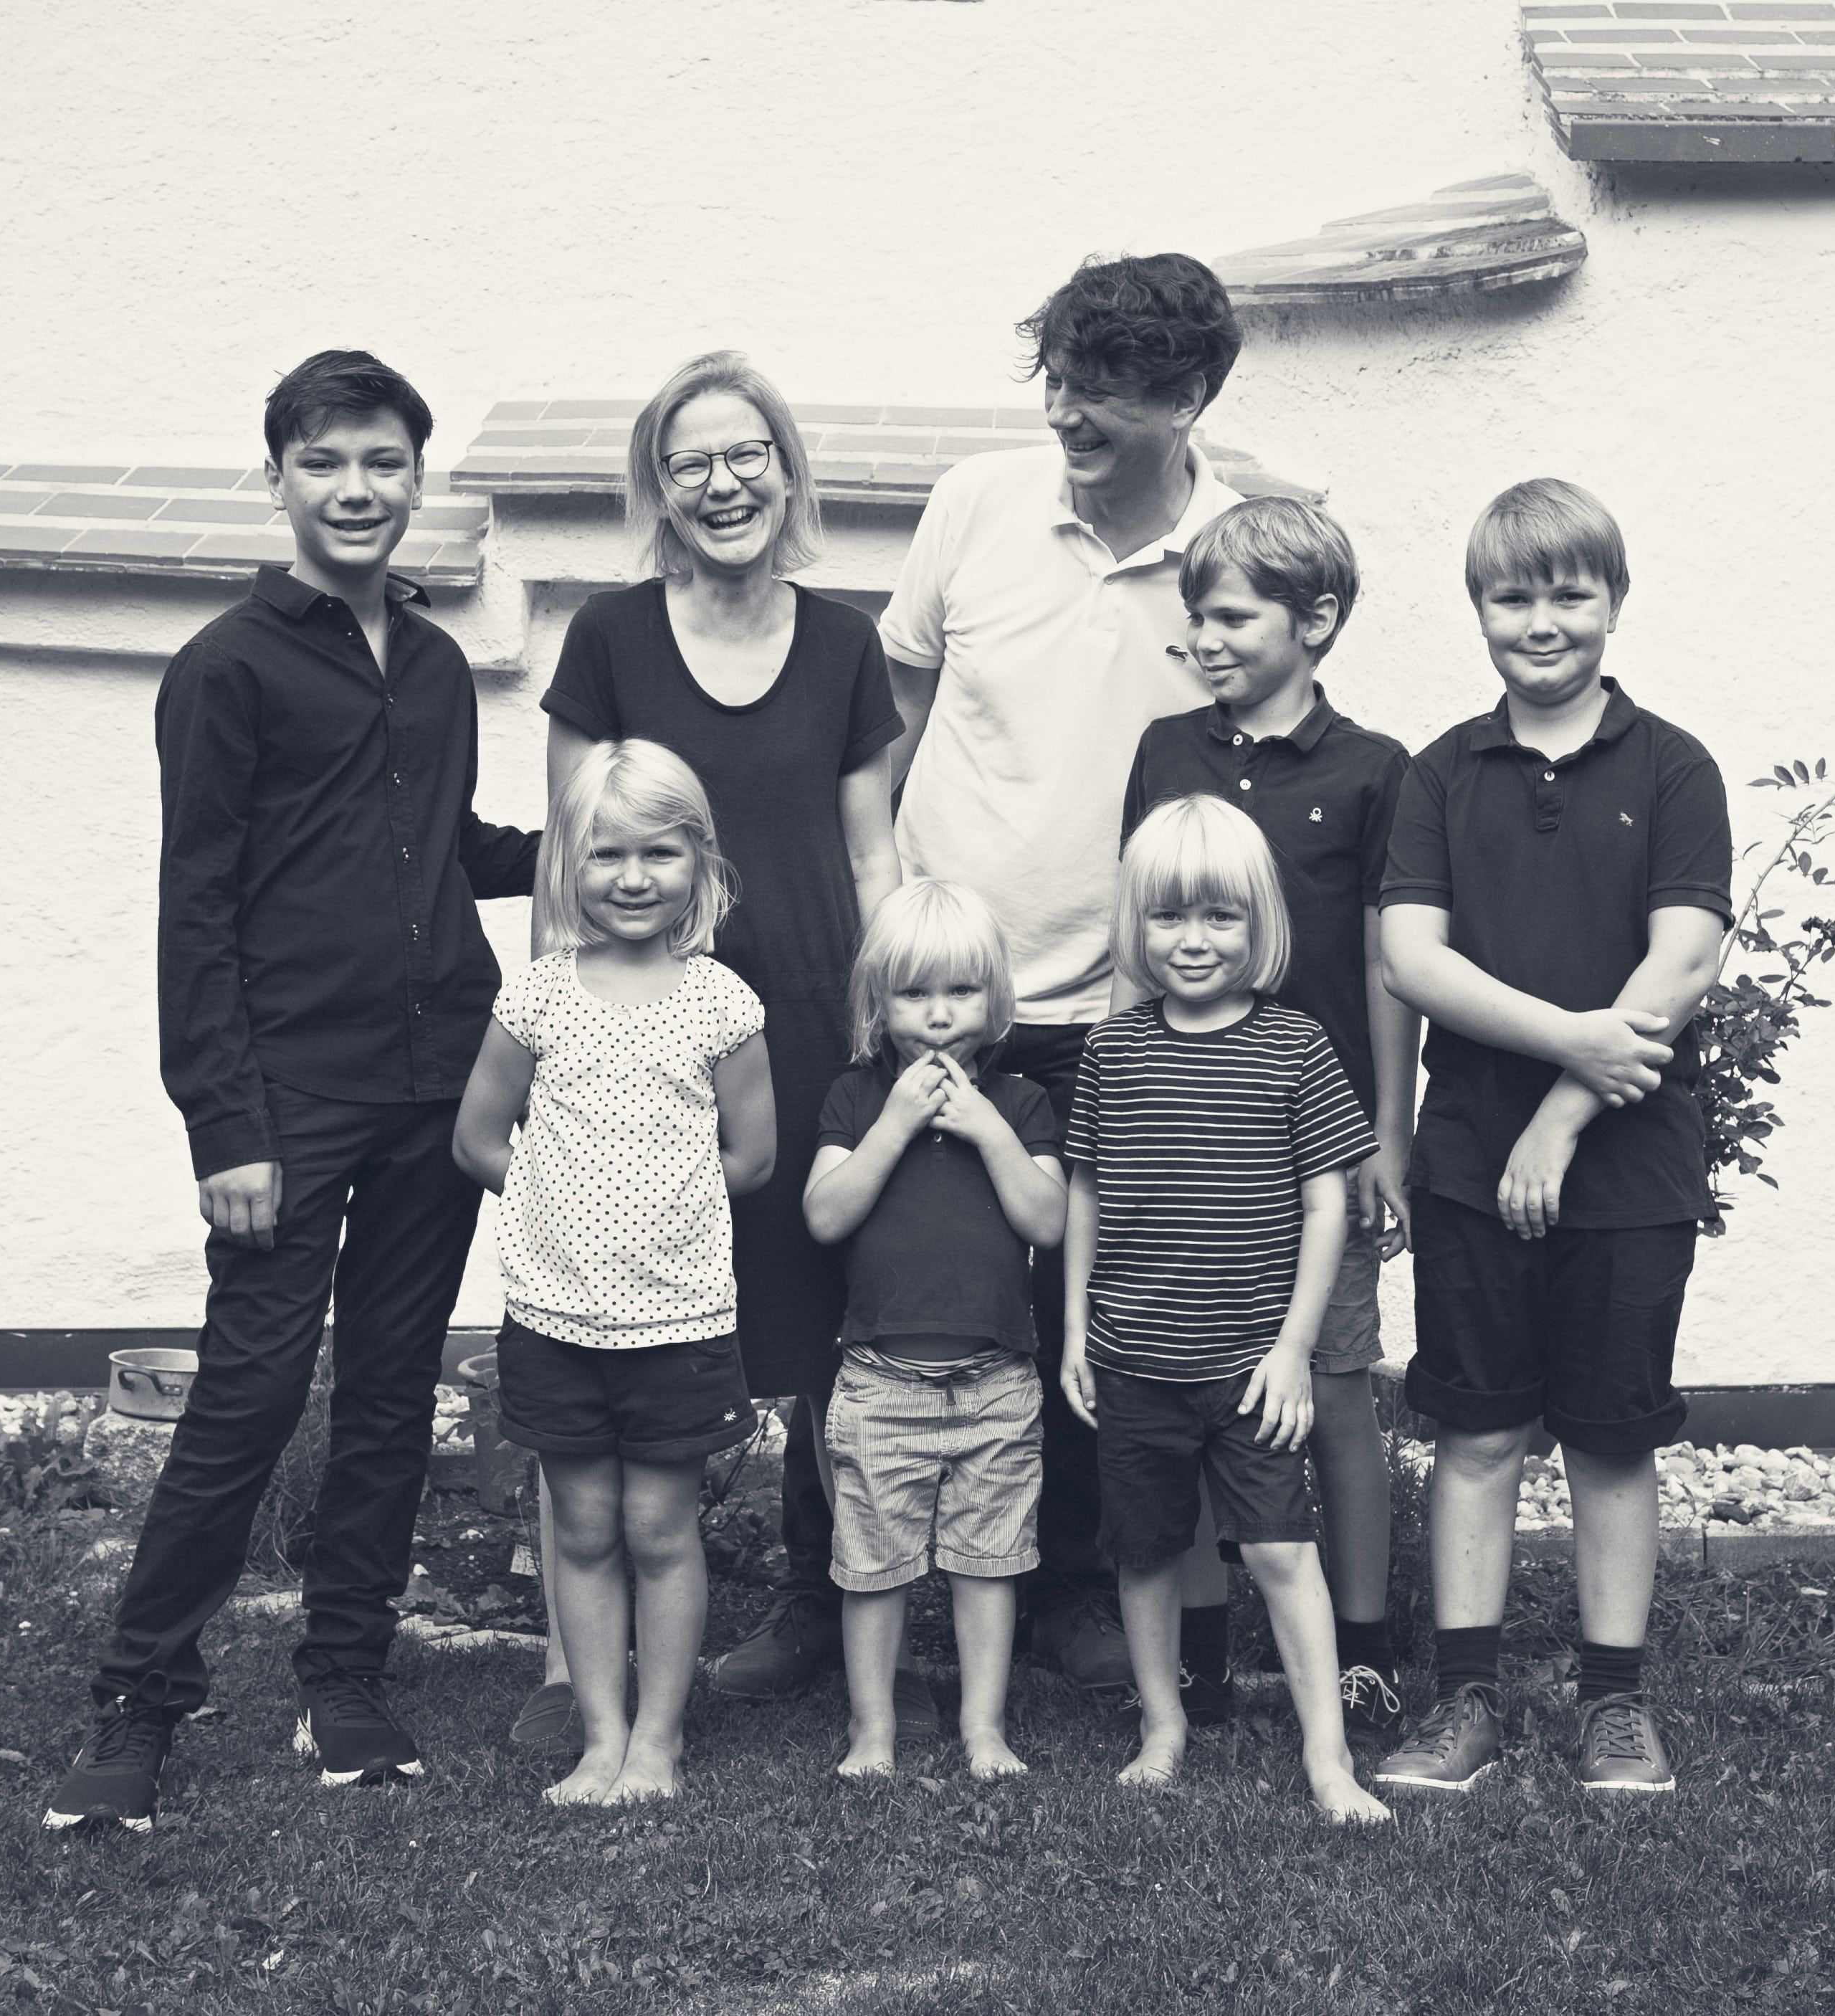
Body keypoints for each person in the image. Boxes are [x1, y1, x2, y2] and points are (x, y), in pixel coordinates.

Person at [46, 350, 538, 1835]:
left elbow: (440, 842)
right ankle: (139, 1704)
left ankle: (347, 1677)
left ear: (414, 479)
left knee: (392, 1396)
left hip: (434, 1088)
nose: (358, 488)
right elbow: (194, 906)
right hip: (290, 1098)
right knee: (250, 1398)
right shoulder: (227, 667)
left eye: (384, 461)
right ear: (279, 479)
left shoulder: (440, 664)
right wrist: (226, 1123)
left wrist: (601, 844)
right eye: (326, 461)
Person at [880, 252, 1247, 1691]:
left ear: (1194, 396)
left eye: (1107, 390)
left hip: (1121, 1008)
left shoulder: (1236, 545)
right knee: (903, 1281)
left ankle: (1076, 1591)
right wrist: (882, 925)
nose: (1070, 414)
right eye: (1059, 379)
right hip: (941, 992)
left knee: (1101, 1308)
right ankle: (832, 1585)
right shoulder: (975, 502)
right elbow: (891, 725)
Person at [523, 352, 904, 1738]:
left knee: (814, 1323)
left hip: (805, 1026)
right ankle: (573, 1665)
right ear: (657, 488)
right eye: (688, 462)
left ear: (788, 472)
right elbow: (571, 857)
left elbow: (872, 847)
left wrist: (886, 1013)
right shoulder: (611, 639)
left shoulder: (847, 641)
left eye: (746, 454)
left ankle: (821, 1600)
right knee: (599, 1303)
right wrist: (551, 1040)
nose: (721, 481)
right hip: (632, 1042)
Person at [1373, 479, 1731, 1797]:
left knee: (1608, 1435)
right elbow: (1412, 958)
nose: (1541, 618)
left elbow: (1679, 959)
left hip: (1629, 1165)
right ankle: (1461, 1697)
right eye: (1511, 594)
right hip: (1468, 1152)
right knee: (1472, 1431)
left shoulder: (1671, 766)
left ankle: (1614, 1706)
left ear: (1612, 602)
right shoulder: (1438, 773)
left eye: (1567, 592)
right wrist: (1564, 1048)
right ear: (1476, 610)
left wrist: (1573, 1105)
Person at [1119, 496, 1417, 1742]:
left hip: (1317, 1144)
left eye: (1230, 615)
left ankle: (1359, 1651)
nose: (1204, 636)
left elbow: (1384, 967)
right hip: (1180, 1134)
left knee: (1334, 1392)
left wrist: (1385, 1146)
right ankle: (1193, 1658)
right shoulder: (1162, 749)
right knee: (1187, 1386)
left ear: (1316, 620)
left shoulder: (1372, 770)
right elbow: (1142, 933)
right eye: (1193, 614)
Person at [452, 739, 778, 1805]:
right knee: (583, 1529)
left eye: (657, 854)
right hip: (554, 1320)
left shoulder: (720, 1004)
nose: (632, 877)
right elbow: (478, 1139)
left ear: (700, 864)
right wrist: (554, 1205)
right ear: (568, 871)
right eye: (605, 856)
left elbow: (752, 1156)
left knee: (657, 1529)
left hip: (678, 1323)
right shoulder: (536, 999)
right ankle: (601, 1738)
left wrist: (655, 1211)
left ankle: (659, 1744)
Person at [1060, 795, 1391, 1825]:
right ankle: (1164, 1727)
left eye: (1219, 918)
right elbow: (1087, 1192)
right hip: (1133, 1359)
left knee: (1284, 1553)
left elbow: (1329, 1197)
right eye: (1168, 918)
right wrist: (1074, 1328)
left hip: (1254, 1363)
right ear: (1135, 927)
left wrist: (1295, 1350)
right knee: (1150, 1553)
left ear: (1260, 925)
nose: (1193, 941)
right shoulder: (1111, 1052)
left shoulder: (1297, 1047)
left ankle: (1327, 1760)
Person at [801, 881, 1067, 1782]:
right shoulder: (854, 1094)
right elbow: (825, 1216)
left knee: (987, 1563)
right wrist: (895, 1122)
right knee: (871, 1568)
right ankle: (871, 1732)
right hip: (880, 1380)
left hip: (995, 1381)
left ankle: (982, 1729)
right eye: (915, 995)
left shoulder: (1023, 1102)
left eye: (959, 992)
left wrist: (989, 1130)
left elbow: (1046, 1220)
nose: (940, 1016)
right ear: (878, 1003)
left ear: (994, 1001)